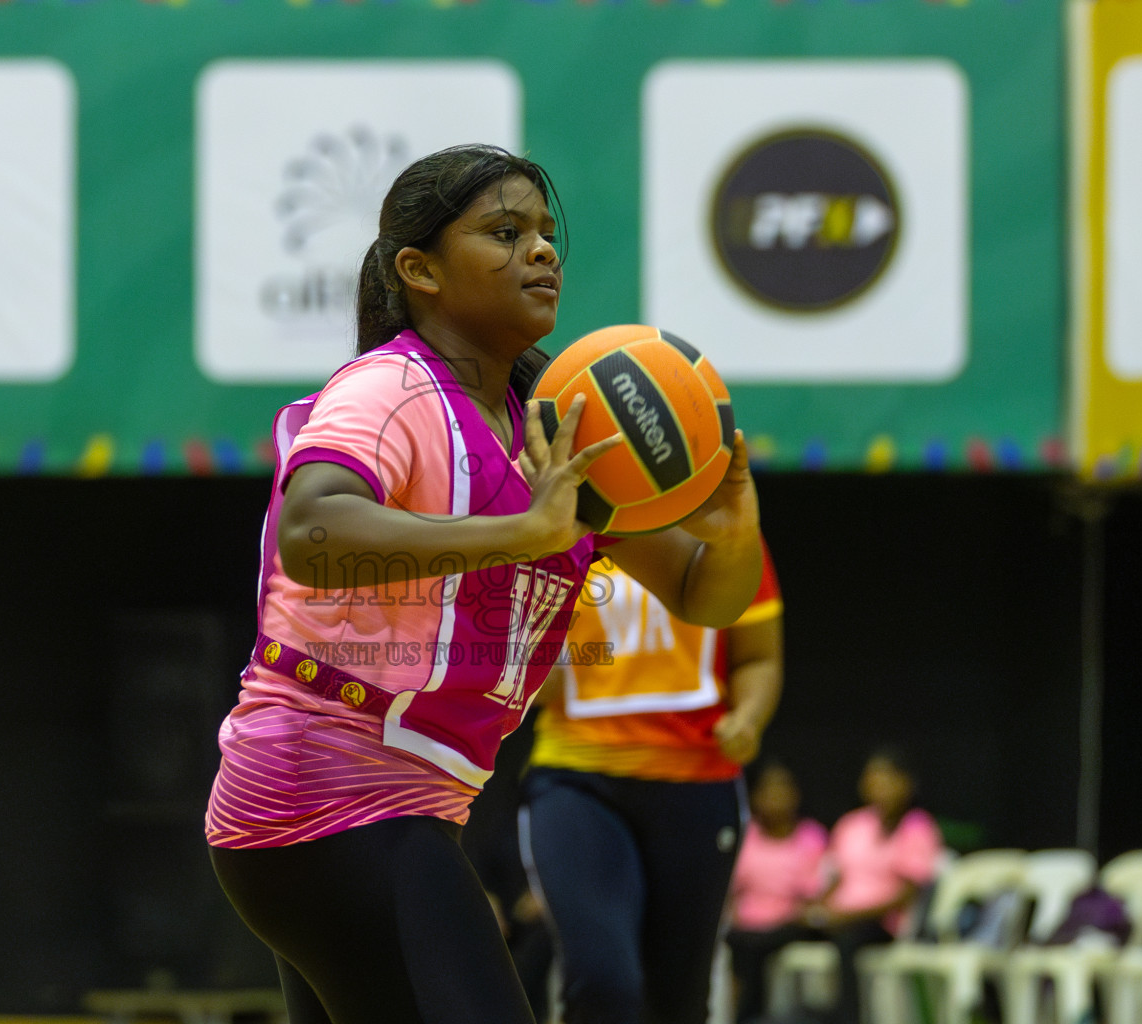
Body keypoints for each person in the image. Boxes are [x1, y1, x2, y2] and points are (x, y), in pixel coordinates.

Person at [205, 144, 764, 1024]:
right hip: (327, 791)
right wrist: (525, 533)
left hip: (394, 801)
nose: (541, 251)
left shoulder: (554, 426)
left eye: (545, 233)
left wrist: (736, 531)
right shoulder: (389, 389)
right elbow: (314, 534)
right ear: (418, 270)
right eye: (504, 233)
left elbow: (706, 596)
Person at [518, 541, 783, 1024]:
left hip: (696, 784)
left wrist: (747, 718)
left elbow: (758, 656)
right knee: (602, 981)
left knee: (677, 999)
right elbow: (527, 670)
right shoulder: (561, 523)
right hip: (578, 779)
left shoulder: (722, 528)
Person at [803, 747, 942, 1024]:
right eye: (874, 778)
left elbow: (906, 895)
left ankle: (847, 1018)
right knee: (771, 937)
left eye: (888, 778)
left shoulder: (917, 826)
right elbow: (835, 877)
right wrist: (817, 907)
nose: (880, 787)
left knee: (846, 939)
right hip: (839, 917)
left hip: (883, 923)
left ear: (906, 783)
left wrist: (845, 916)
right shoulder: (851, 824)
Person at [725, 761, 828, 1024]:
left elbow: (815, 890)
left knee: (756, 945)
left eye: (783, 788)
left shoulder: (811, 836)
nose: (776, 795)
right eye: (769, 789)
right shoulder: (746, 835)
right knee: (741, 941)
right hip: (747, 927)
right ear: (756, 796)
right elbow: (733, 889)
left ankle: (752, 1018)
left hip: (791, 922)